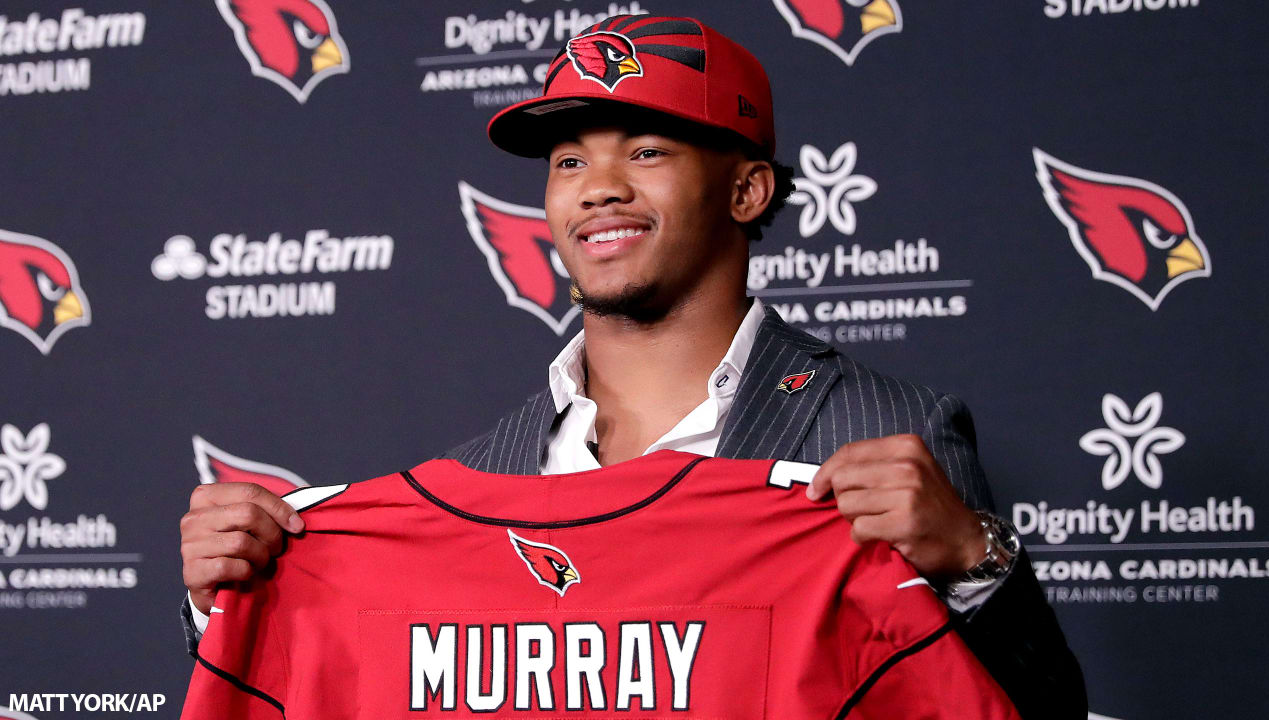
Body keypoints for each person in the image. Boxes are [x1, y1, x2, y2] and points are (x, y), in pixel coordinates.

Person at [178, 14, 1085, 718]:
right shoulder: (490, 469)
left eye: (646, 151)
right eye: (570, 160)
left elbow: (1025, 714)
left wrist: (975, 561)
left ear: (746, 188)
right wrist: (229, 602)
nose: (598, 186)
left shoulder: (892, 429)